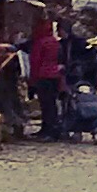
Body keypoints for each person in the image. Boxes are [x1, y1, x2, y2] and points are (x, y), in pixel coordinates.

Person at [27, 13, 71, 144]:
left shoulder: (40, 43)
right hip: (55, 76)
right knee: (51, 104)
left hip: (43, 76)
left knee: (46, 105)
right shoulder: (55, 42)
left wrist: (32, 80)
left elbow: (35, 61)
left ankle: (49, 131)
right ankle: (50, 129)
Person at [0, 24, 28, 140]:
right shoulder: (11, 57)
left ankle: (15, 126)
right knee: (11, 104)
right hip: (8, 85)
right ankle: (15, 126)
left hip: (7, 85)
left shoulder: (12, 58)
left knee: (10, 105)